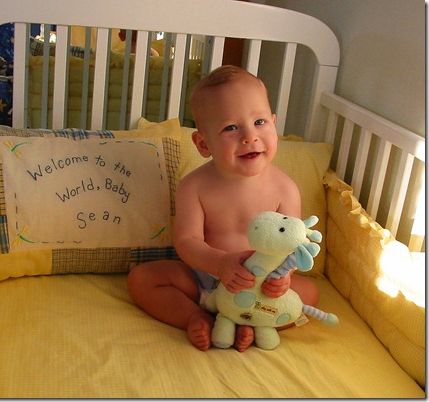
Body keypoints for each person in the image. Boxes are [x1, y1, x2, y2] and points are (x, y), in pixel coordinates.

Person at [127, 65, 319, 352]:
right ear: (203, 143)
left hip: (260, 286)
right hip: (203, 279)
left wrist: (282, 279)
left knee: (309, 293)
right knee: (142, 278)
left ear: (274, 124)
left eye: (259, 122)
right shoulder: (194, 186)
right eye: (230, 128)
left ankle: (250, 322)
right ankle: (196, 317)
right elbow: (187, 241)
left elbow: (290, 245)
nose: (249, 136)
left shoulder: (285, 188)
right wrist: (220, 264)